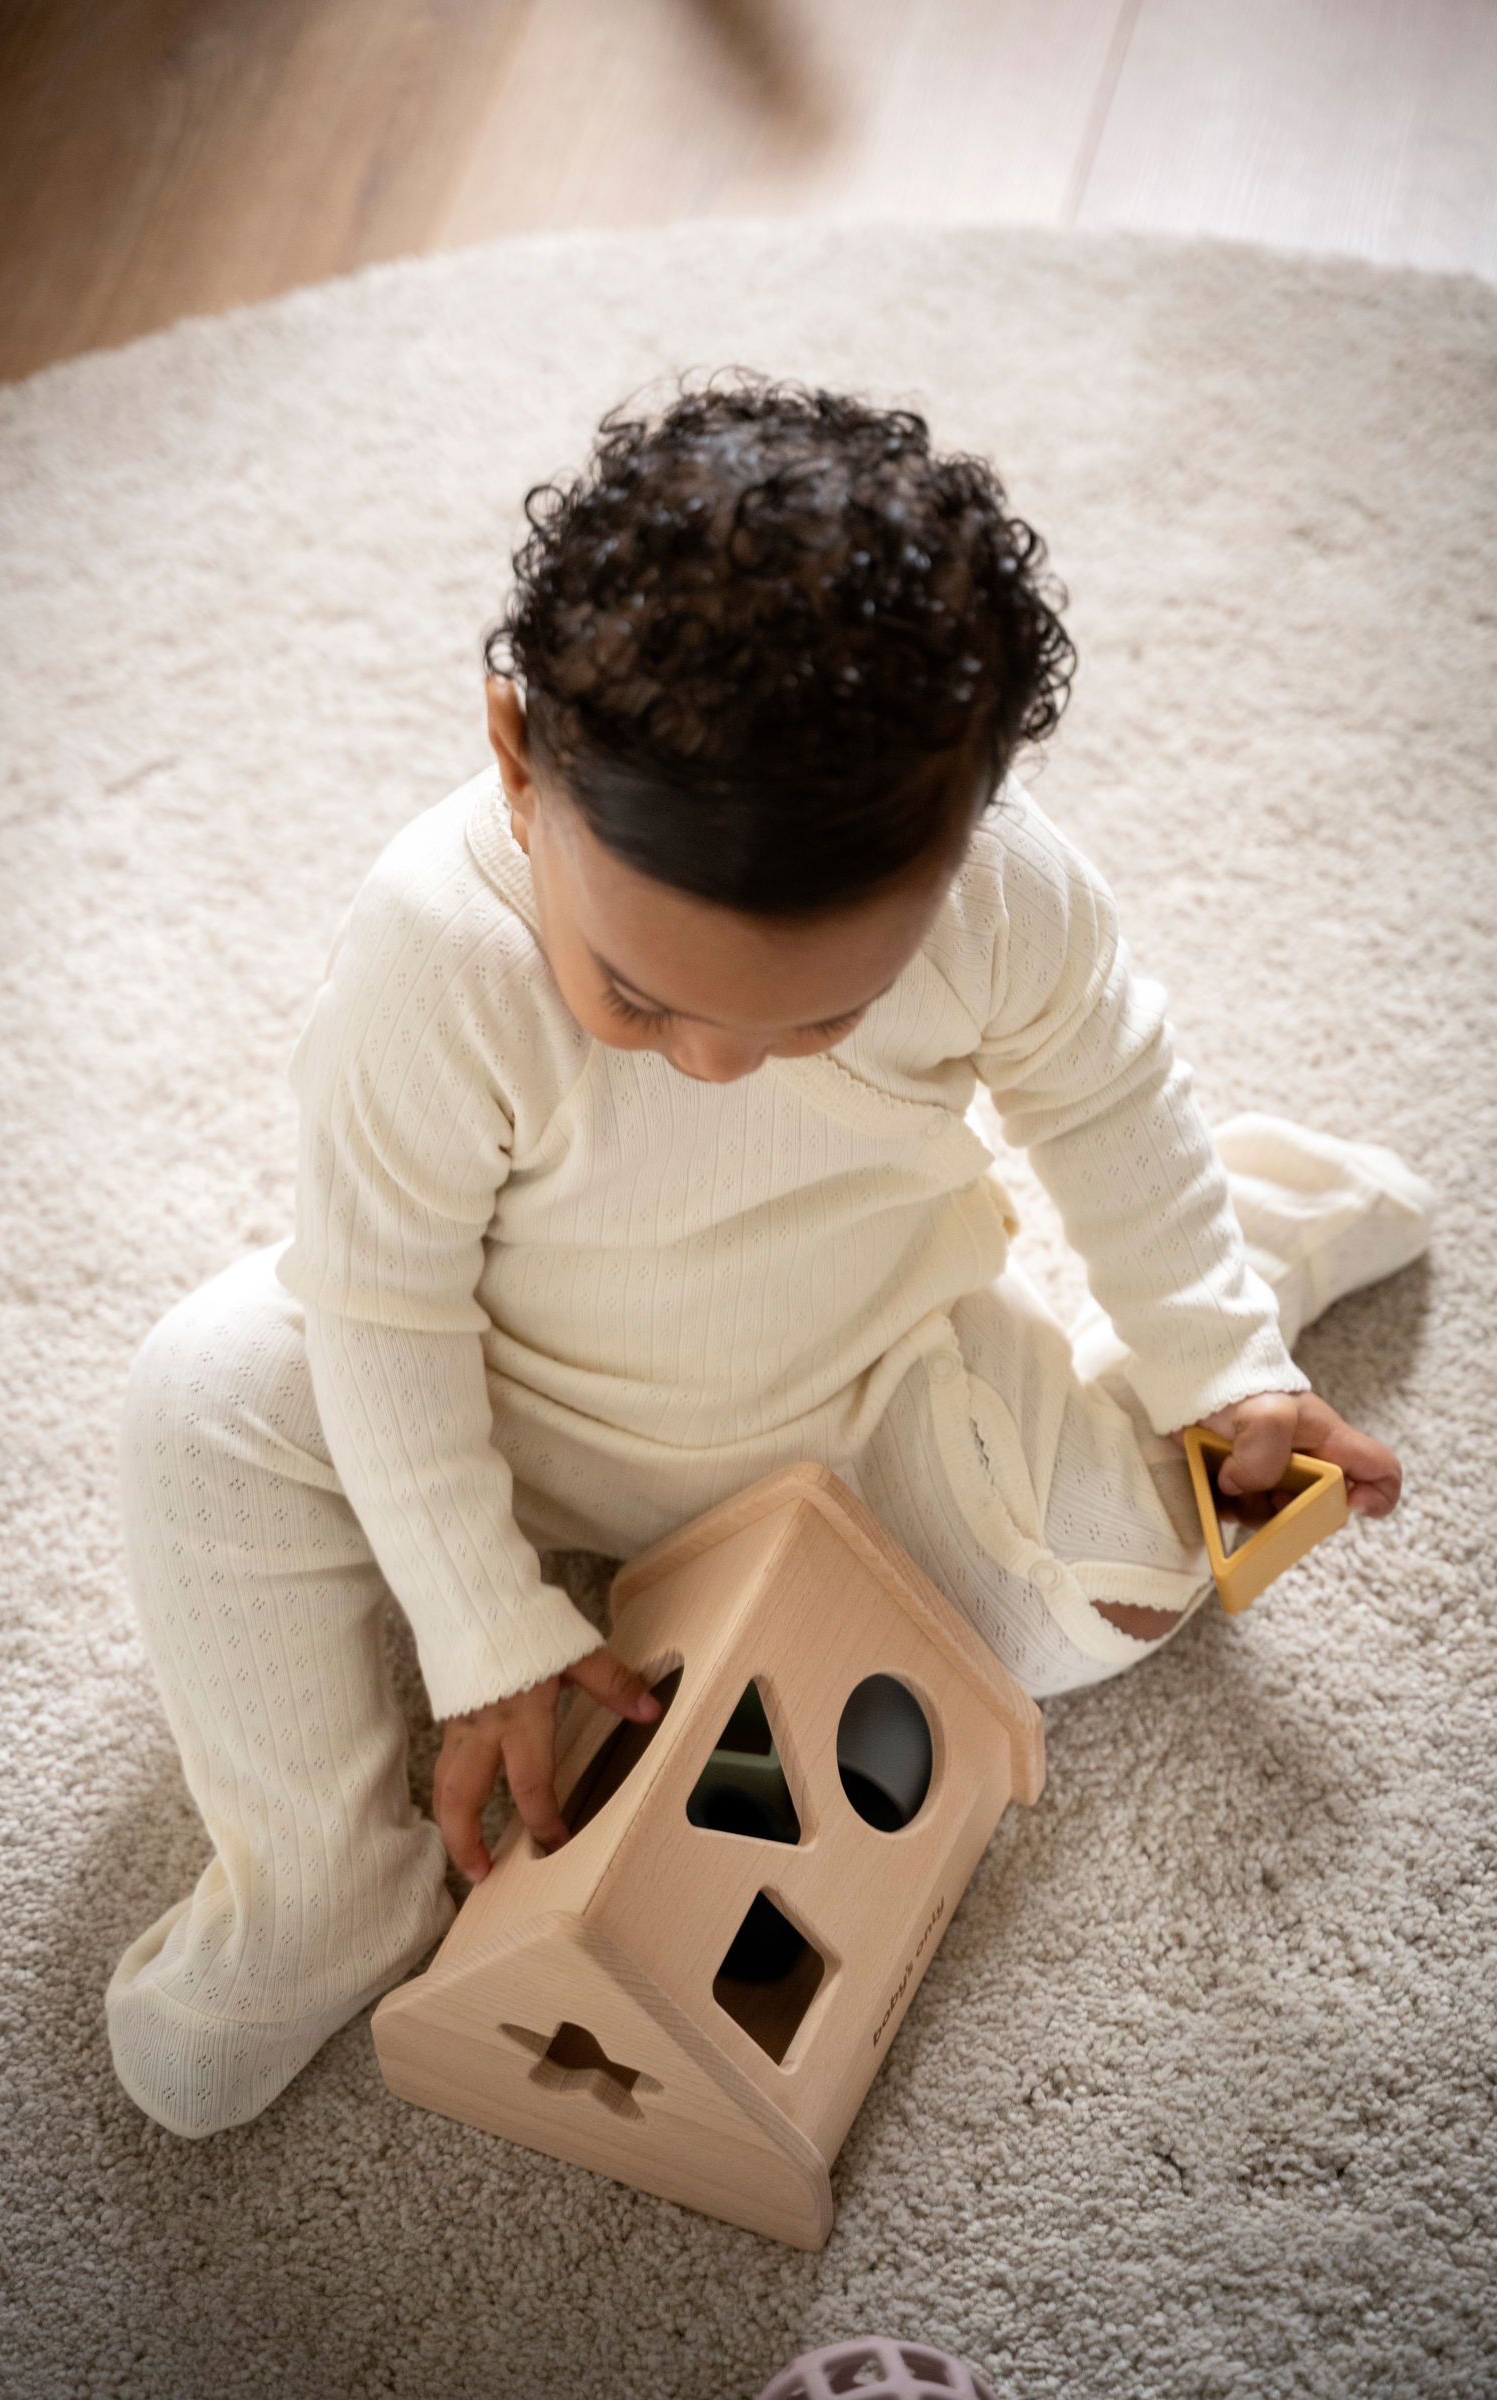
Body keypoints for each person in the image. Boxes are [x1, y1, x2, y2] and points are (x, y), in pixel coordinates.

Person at [105, 373, 1431, 2138]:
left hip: (859, 1389)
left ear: (965, 845)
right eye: (640, 997)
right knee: (208, 1401)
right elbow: (383, 1301)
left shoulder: (1006, 893)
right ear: (517, 758)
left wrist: (1217, 1360)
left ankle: (1252, 1255)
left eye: (820, 1017)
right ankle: (322, 1886)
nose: (718, 1061)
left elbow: (1104, 1091)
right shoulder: (433, 952)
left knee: (1113, 1602)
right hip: (508, 1393)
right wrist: (484, 1633)